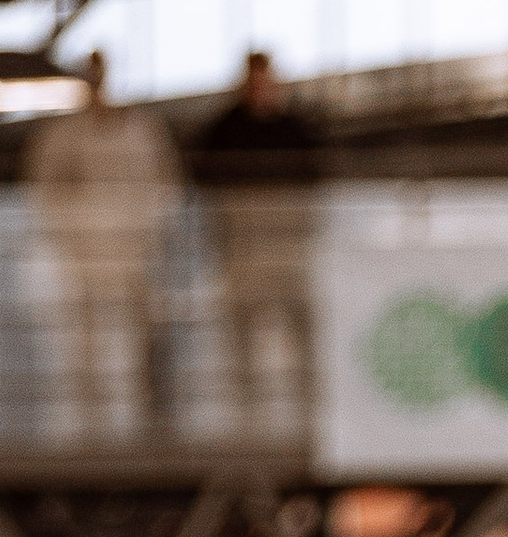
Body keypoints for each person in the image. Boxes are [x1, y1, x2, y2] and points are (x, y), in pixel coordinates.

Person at [20, 48, 183, 439]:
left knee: (140, 343)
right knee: (85, 350)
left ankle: (145, 426)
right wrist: (74, 229)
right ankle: (87, 431)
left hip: (133, 258)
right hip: (83, 261)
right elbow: (41, 192)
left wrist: (145, 228)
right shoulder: (60, 136)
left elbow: (166, 188)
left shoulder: (144, 131)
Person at [191, 49, 324, 432]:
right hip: (243, 246)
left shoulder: (296, 127)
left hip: (287, 246)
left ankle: (311, 414)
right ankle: (246, 420)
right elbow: (204, 176)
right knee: (242, 336)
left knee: (302, 331)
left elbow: (315, 176)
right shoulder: (224, 128)